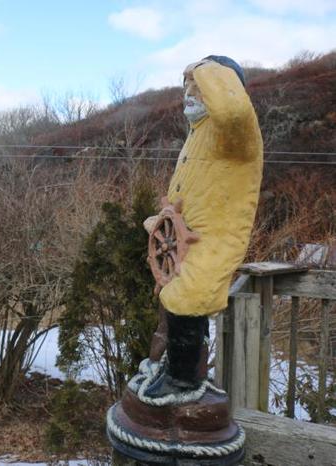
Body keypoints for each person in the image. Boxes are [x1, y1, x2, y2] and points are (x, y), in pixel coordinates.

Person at [143, 55, 264, 398]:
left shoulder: (234, 133)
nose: (189, 91)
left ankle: (183, 382)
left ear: (224, 86)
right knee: (178, 297)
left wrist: (204, 66)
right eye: (187, 85)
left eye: (198, 85)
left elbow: (233, 111)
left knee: (188, 298)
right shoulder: (200, 132)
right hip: (183, 240)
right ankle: (183, 369)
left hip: (214, 239)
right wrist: (164, 221)